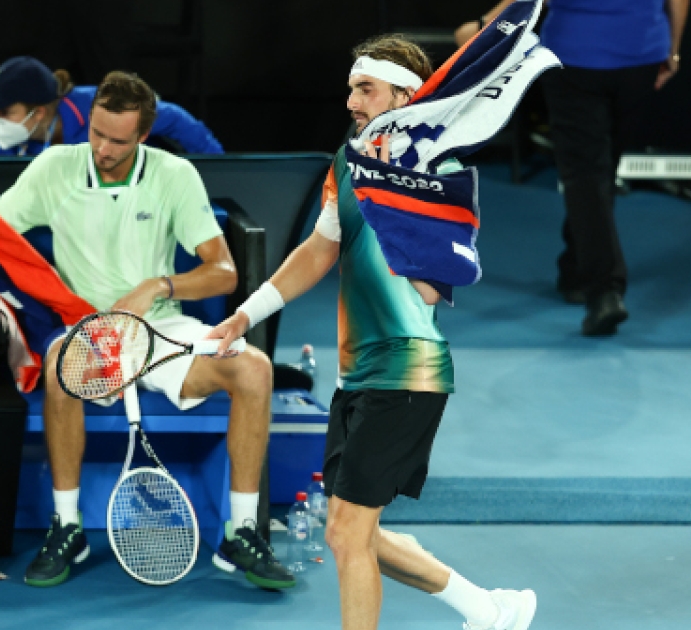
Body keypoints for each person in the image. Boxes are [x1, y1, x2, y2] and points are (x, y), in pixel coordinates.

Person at [206, 35, 536, 630]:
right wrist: (246, 313)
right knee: (353, 533)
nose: (351, 102)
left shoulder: (444, 171)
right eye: (352, 88)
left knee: (346, 531)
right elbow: (319, 249)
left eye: (366, 89)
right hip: (355, 375)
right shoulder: (348, 161)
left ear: (405, 98)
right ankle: (487, 609)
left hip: (407, 373)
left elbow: (433, 288)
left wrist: (395, 200)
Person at [0, 71, 292, 590]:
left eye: (118, 141)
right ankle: (67, 527)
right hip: (87, 328)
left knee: (253, 369)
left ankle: (241, 532)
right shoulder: (54, 168)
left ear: (144, 136)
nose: (102, 149)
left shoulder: (174, 175)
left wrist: (159, 285)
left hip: (159, 328)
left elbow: (223, 272)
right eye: (96, 134)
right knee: (60, 369)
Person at [456, 0, 691, 336]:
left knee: (587, 173)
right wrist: (673, 49)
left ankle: (604, 290)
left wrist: (486, 25)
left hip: (575, 56)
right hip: (641, 56)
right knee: (599, 171)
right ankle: (576, 269)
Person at [0, 56, 224, 156]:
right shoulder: (7, 141)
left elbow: (176, 119)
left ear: (39, 112)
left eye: (5, 111)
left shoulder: (106, 105)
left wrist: (218, 172)